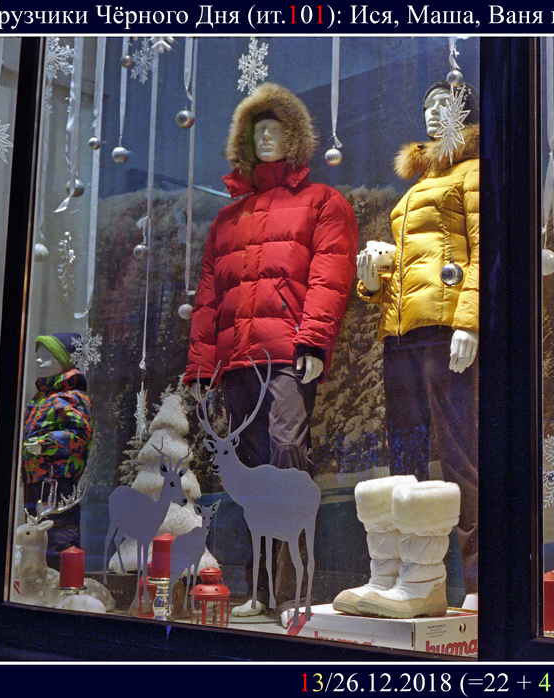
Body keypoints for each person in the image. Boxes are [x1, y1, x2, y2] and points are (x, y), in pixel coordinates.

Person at [185, 82, 358, 616]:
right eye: (257, 130)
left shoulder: (322, 202)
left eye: (276, 129)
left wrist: (314, 340)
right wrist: (201, 366)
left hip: (286, 355)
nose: (266, 138)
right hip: (237, 360)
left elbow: (330, 274)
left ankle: (289, 592)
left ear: (295, 138)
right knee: (249, 468)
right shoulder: (227, 220)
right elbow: (209, 298)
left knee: (287, 454)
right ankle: (260, 591)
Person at [355, 79, 480, 613]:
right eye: (426, 105)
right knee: (404, 458)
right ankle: (410, 577)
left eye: (444, 105)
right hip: (401, 336)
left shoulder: (474, 174)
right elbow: (413, 267)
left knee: (460, 454)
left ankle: (478, 580)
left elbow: (483, 252)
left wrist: (470, 323)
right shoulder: (416, 188)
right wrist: (372, 280)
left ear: (466, 111)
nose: (432, 114)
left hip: (445, 331)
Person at [21, 332, 92, 571]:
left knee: (59, 536)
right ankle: (38, 582)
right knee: (34, 537)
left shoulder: (72, 397)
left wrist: (46, 443)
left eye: (47, 356)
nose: (38, 361)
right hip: (35, 479)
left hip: (57, 480)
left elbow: (80, 436)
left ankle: (62, 583)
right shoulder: (40, 398)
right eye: (38, 356)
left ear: (65, 360)